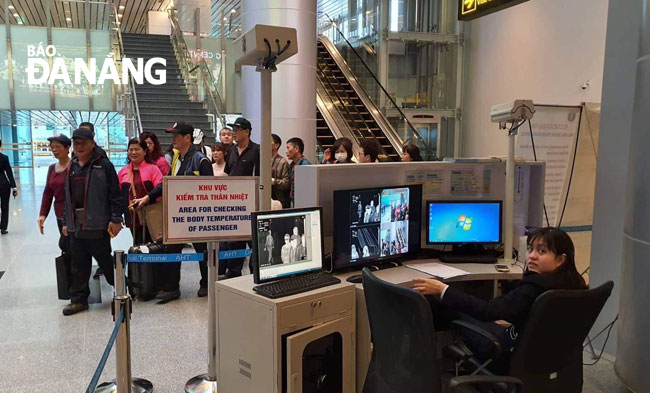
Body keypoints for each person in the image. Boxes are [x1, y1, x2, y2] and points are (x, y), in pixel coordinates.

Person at [413, 227, 587, 367]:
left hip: (504, 352)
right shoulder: (576, 285)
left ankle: (424, 368)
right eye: (530, 249)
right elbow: (517, 309)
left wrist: (443, 289)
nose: (532, 256)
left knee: (449, 308)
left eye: (541, 251)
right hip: (545, 359)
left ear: (560, 259)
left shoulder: (532, 289)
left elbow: (488, 312)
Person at [135, 122, 213, 299]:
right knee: (171, 248)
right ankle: (171, 287)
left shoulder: (200, 160)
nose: (173, 138)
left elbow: (210, 190)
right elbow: (167, 182)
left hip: (198, 217)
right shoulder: (179, 159)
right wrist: (149, 197)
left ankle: (207, 283)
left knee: (203, 251)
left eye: (177, 135)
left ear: (187, 138)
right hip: (180, 216)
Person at [61, 128, 123, 316]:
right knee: (78, 264)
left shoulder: (103, 165)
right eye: (76, 143)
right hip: (76, 225)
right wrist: (66, 221)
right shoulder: (72, 166)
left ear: (92, 144)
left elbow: (115, 194)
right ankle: (78, 299)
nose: (79, 146)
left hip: (97, 223)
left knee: (105, 261)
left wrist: (115, 219)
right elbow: (67, 196)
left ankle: (122, 289)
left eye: (83, 143)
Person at [224, 117, 260, 277]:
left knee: (255, 240)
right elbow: (228, 172)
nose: (234, 132)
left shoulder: (257, 150)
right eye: (234, 129)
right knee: (234, 240)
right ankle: (233, 273)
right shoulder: (231, 151)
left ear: (247, 131)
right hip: (234, 203)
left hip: (252, 203)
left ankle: (256, 272)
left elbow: (262, 177)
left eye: (237, 129)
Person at [38, 134, 71, 241]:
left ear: (67, 148)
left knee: (75, 248)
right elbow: (48, 192)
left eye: (58, 147)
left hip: (73, 215)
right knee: (66, 246)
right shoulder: (52, 168)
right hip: (59, 213)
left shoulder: (75, 166)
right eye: (52, 147)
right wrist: (43, 214)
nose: (54, 150)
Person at [286, 137, 311, 207]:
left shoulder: (304, 165)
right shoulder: (292, 165)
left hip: (302, 202)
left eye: (288, 148)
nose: (286, 151)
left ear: (296, 149)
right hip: (294, 200)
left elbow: (306, 188)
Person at [0, 140, 17, 234]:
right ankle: (3, 227)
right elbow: (9, 173)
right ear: (1, 145)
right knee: (4, 206)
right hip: (3, 184)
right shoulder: (4, 158)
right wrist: (14, 187)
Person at [270, 134, 290, 208]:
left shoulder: (282, 162)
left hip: (278, 202)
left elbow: (286, 184)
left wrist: (273, 181)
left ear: (276, 145)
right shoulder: (262, 160)